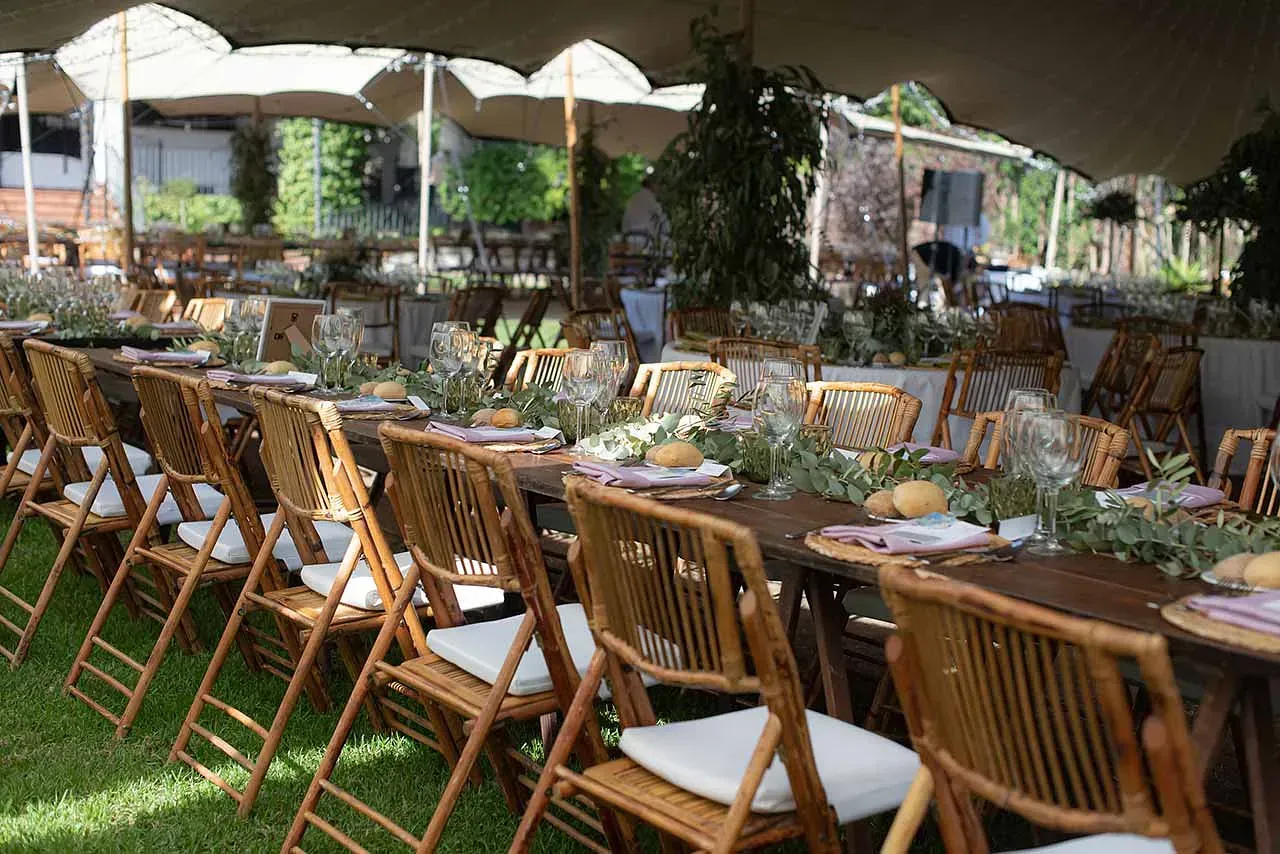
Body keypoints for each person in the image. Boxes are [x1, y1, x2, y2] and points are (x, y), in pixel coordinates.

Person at [621, 177, 668, 247]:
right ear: (652, 185)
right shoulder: (651, 199)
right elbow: (662, 219)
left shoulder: (633, 198)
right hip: (645, 238)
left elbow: (625, 221)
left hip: (629, 237)